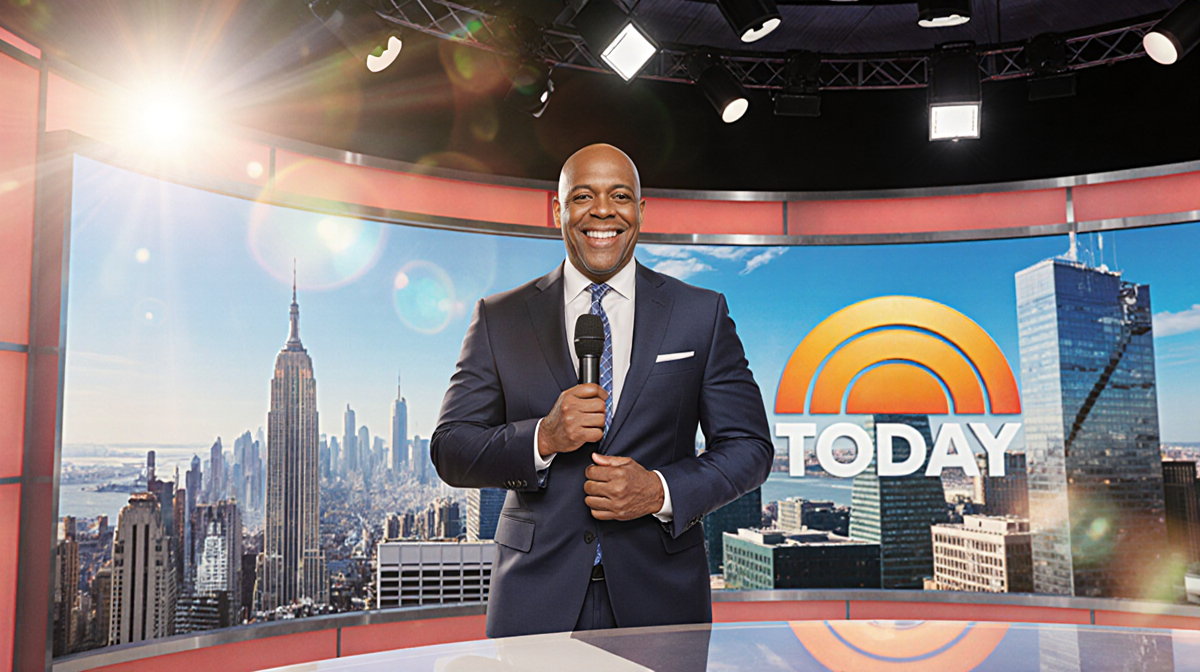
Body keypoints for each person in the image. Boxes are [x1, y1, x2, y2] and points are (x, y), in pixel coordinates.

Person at [432, 143, 773, 638]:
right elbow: (450, 448)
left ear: (640, 211)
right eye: (583, 196)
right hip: (534, 598)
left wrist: (659, 491)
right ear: (557, 211)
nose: (603, 211)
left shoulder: (701, 313)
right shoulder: (499, 318)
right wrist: (543, 438)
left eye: (619, 196)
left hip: (662, 595)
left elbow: (751, 448)